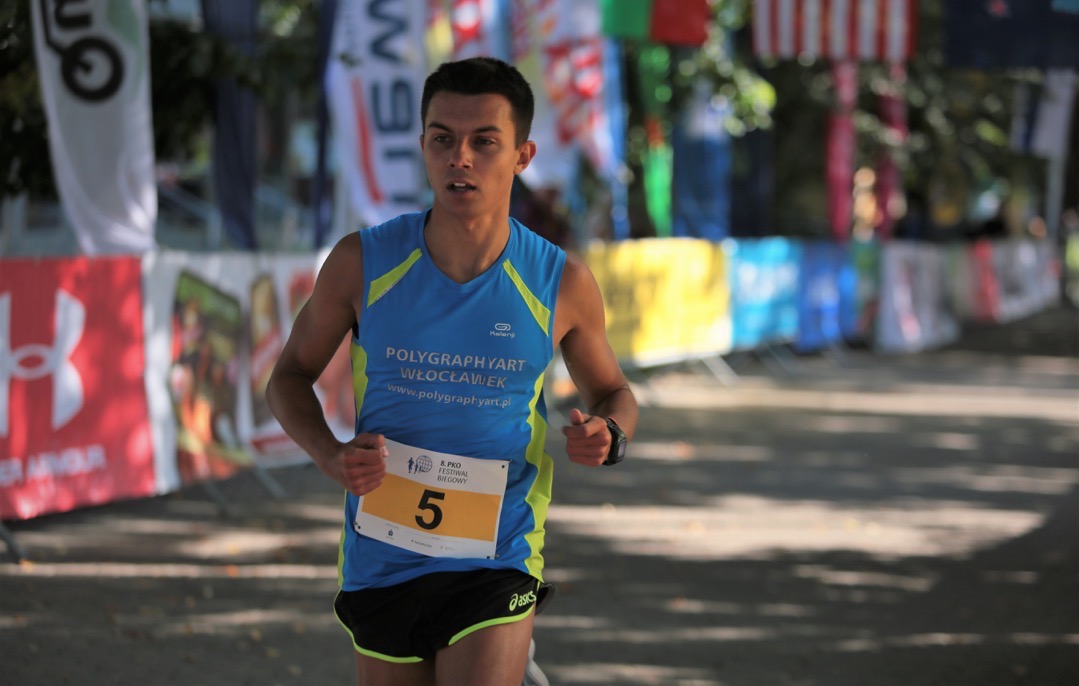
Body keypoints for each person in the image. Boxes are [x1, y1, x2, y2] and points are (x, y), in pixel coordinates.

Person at [266, 56, 638, 686]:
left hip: (498, 554)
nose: (459, 157)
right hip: (382, 554)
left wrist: (611, 433)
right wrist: (331, 456)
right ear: (423, 147)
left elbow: (613, 391)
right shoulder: (363, 262)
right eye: (442, 139)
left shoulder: (560, 282)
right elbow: (288, 377)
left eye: (483, 142)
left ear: (522, 155)